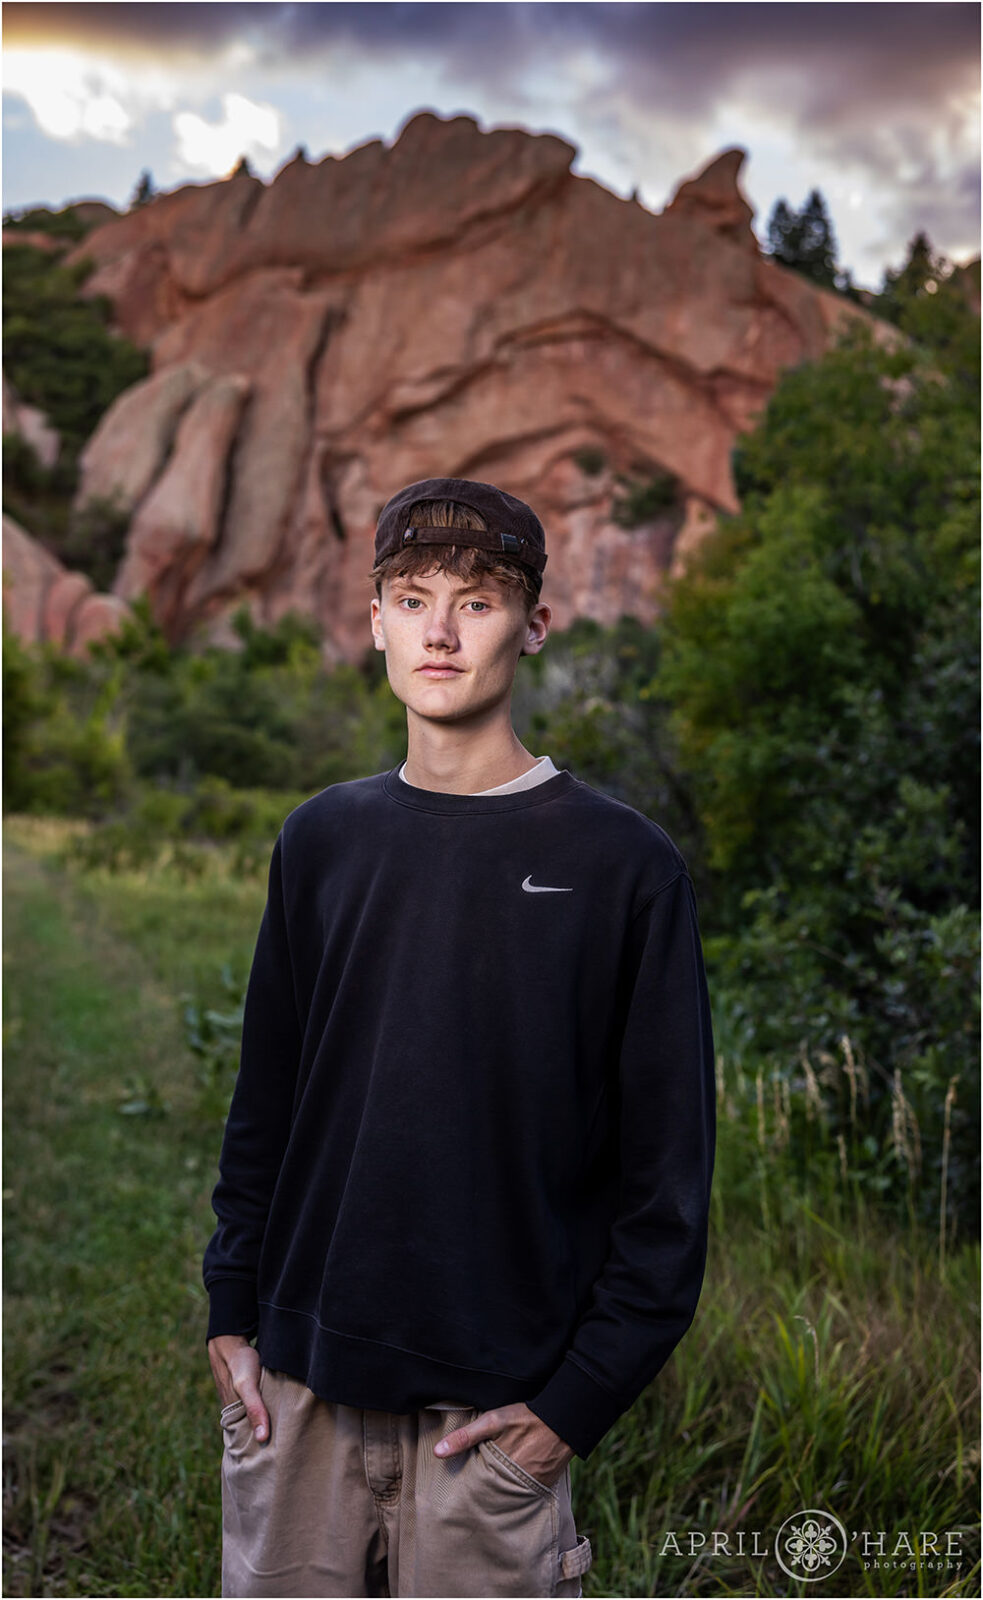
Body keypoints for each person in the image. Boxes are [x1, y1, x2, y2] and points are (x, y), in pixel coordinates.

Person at [203, 477, 715, 1599]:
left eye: (476, 602)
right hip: (300, 1392)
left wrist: (572, 1407)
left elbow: (665, 1185)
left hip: (492, 1422)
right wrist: (230, 1316)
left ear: (533, 625)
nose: (439, 629)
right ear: (373, 617)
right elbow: (268, 1106)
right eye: (411, 595)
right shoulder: (321, 841)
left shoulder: (623, 867)